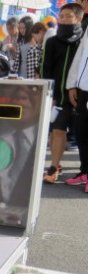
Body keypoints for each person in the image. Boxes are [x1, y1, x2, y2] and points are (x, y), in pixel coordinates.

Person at [40, 2, 84, 183]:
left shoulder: (83, 42)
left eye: (68, 16)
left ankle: (82, 169)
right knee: (57, 130)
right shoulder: (52, 41)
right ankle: (54, 165)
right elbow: (45, 69)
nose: (64, 19)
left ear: (79, 19)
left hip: (80, 95)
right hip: (57, 96)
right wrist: (49, 94)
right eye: (62, 16)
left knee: (79, 134)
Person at [65, 16, 88, 190]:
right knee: (81, 132)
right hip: (83, 89)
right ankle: (85, 171)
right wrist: (72, 84)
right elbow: (81, 55)